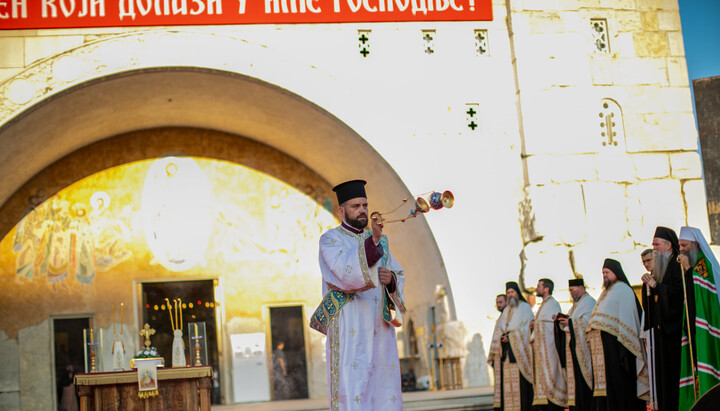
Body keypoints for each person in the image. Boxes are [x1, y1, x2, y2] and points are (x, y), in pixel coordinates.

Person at [316, 179, 405, 410]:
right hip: (349, 328)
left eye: (365, 205)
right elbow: (344, 273)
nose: (362, 210)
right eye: (356, 206)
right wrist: (373, 242)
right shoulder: (330, 240)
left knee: (383, 390)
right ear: (342, 211)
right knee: (354, 387)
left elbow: (397, 273)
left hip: (379, 329)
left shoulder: (382, 241)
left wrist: (391, 280)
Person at [588, 258, 648, 410]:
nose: (605, 275)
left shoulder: (623, 290)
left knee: (620, 383)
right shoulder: (606, 292)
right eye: (603, 272)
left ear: (616, 272)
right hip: (605, 348)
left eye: (607, 272)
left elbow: (628, 320)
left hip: (619, 347)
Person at [677, 226, 720, 411]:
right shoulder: (693, 267)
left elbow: (702, 296)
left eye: (685, 245)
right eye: (680, 246)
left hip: (706, 328)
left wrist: (688, 271)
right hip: (693, 328)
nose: (682, 250)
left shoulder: (704, 266)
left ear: (695, 244)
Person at [641, 226, 684, 411]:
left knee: (673, 375)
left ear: (668, 246)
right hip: (662, 332)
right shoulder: (661, 267)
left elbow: (678, 295)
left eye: (657, 245)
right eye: (653, 245)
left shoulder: (677, 264)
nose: (655, 249)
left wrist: (656, 287)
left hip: (674, 331)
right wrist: (649, 287)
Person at [556, 278, 596, 411]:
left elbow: (588, 323)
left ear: (581, 288)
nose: (571, 293)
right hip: (574, 350)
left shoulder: (589, 302)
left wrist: (570, 323)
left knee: (583, 385)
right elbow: (570, 319)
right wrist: (559, 319)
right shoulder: (575, 306)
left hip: (584, 350)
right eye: (569, 291)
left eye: (573, 290)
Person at [531, 278, 567, 410]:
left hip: (550, 350)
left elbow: (556, 328)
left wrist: (537, 325)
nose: (536, 288)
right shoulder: (543, 305)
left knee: (552, 377)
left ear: (546, 289)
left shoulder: (552, 304)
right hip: (541, 351)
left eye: (539, 286)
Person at [500, 281, 534, 411]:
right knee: (509, 386)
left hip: (520, 353)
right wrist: (503, 337)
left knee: (522, 387)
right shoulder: (506, 310)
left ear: (517, 293)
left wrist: (511, 337)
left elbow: (527, 329)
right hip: (508, 353)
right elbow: (502, 328)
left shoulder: (524, 307)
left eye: (512, 292)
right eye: (508, 293)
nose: (510, 295)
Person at [488, 293, 508, 410]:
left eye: (500, 302)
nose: (498, 305)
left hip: (504, 355)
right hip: (498, 356)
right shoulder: (500, 318)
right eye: (497, 303)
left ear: (506, 302)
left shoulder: (507, 316)